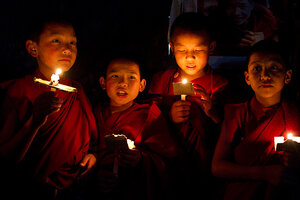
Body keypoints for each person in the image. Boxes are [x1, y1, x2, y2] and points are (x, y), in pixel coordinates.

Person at [0, 16, 97, 199]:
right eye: (56, 40)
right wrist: (34, 121)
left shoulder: (77, 90)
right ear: (32, 48)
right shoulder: (19, 91)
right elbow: (6, 156)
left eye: (72, 42)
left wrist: (93, 156)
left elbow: (90, 140)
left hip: (75, 189)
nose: (67, 49)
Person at [149, 12, 229, 199]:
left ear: (211, 48)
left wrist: (213, 113)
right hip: (170, 159)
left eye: (198, 50)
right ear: (172, 47)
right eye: (183, 50)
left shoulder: (219, 84)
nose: (190, 57)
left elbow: (230, 127)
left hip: (205, 159)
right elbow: (148, 122)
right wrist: (168, 117)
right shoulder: (162, 81)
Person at [212, 39, 300, 200]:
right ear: (247, 77)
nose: (265, 76)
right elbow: (217, 166)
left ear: (287, 76)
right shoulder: (236, 114)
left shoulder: (295, 115)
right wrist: (264, 173)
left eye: (274, 68)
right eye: (257, 68)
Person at [88, 57, 178, 200]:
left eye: (131, 77)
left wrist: (141, 159)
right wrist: (93, 173)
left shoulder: (149, 115)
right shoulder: (93, 113)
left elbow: (168, 160)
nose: (123, 83)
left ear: (142, 85)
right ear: (103, 83)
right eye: (115, 76)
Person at [212, 0, 279, 56]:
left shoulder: (265, 19)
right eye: (230, 6)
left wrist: (263, 41)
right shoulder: (216, 21)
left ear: (252, 6)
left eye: (243, 6)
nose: (236, 12)